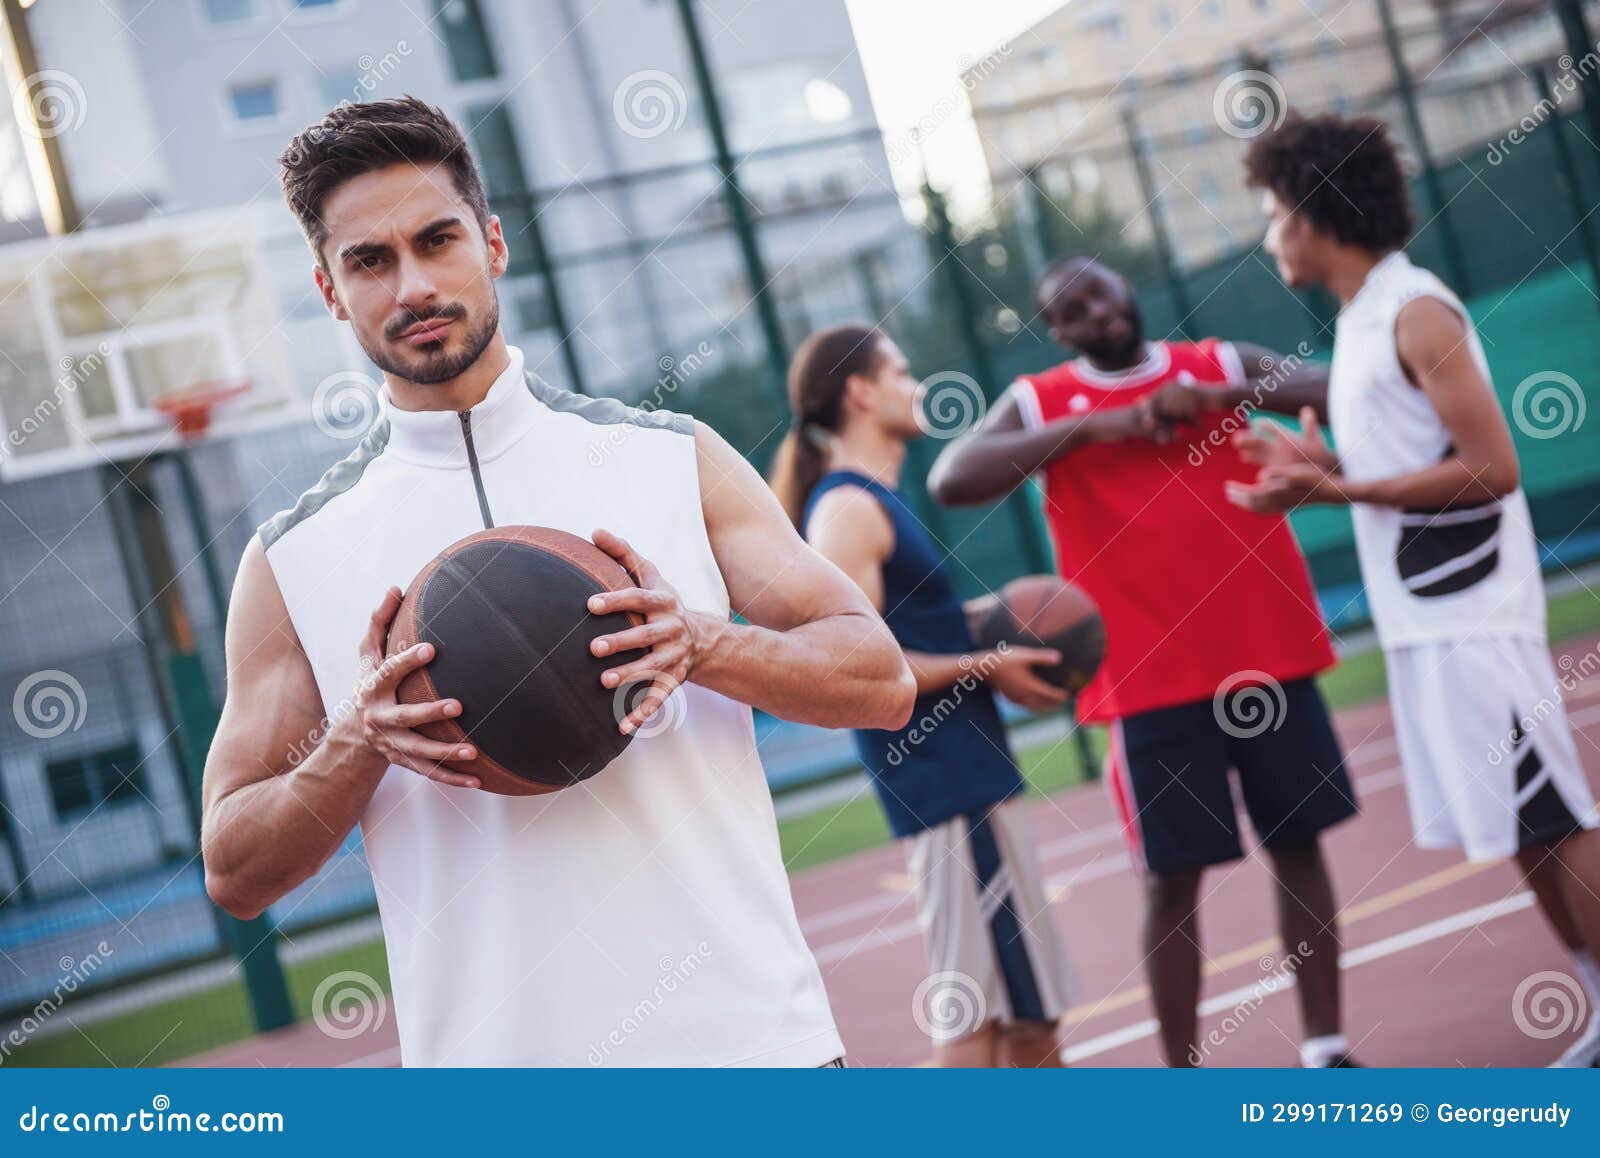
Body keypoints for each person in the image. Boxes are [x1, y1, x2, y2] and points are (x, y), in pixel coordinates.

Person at [199, 97, 916, 1068]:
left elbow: (879, 678)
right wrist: (357, 742)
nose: (413, 283)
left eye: (437, 240)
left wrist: (703, 641)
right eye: (369, 261)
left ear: (491, 244)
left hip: (757, 1053)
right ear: (330, 291)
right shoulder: (292, 557)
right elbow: (234, 869)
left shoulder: (669, 457)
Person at [928, 258, 1362, 1068]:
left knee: (1299, 846)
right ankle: (1179, 1079)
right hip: (1146, 679)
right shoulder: (1042, 399)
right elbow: (951, 477)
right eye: (1071, 309)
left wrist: (1224, 400)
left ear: (1127, 288)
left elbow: (1344, 387)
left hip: (1264, 654)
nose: (1094, 310)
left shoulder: (1219, 364)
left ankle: (1327, 1048)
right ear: (1058, 333)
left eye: (1099, 289)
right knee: (1172, 880)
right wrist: (1097, 427)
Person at [1235, 113, 1600, 1067]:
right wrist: (1333, 462)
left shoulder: (1417, 311)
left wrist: (1339, 487)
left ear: (1316, 213)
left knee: (1555, 814)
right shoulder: (1359, 324)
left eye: (1277, 213)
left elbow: (1493, 467)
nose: (1271, 234)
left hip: (1475, 613)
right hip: (1427, 620)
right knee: (1522, 824)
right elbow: (1411, 458)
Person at [770, 324, 1077, 1067]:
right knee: (976, 1025)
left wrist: (988, 623)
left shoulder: (877, 498)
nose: (917, 385)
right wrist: (987, 662)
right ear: (861, 392)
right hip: (944, 783)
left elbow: (911, 629)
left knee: (1027, 1023)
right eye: (901, 371)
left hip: (969, 773)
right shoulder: (847, 510)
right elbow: (855, 667)